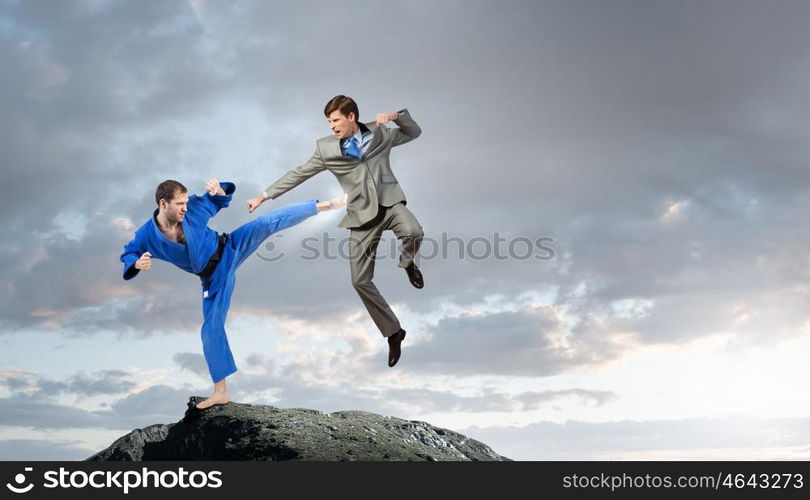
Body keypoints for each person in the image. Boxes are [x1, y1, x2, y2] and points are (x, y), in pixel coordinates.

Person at [120, 178, 345, 410]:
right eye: (180, 204)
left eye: (186, 202)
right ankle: (221, 392)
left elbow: (218, 199)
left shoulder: (193, 209)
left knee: (266, 223)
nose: (185, 208)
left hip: (230, 247)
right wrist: (136, 263)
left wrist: (219, 191)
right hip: (213, 278)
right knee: (210, 328)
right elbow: (129, 253)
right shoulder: (146, 235)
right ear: (163, 203)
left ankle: (323, 206)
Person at [246, 95, 424, 368]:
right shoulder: (326, 149)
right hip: (362, 216)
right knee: (359, 281)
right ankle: (394, 332)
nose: (332, 126)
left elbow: (414, 132)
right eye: (329, 122)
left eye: (336, 120)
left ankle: (408, 262)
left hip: (389, 204)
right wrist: (264, 196)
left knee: (414, 232)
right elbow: (299, 173)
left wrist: (396, 116)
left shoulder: (381, 133)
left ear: (351, 117)